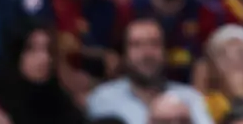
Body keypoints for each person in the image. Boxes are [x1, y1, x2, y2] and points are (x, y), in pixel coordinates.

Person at [86, 16, 217, 124]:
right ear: (124, 55)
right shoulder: (102, 100)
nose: (147, 53)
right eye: (136, 45)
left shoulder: (191, 99)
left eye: (154, 44)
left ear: (165, 52)